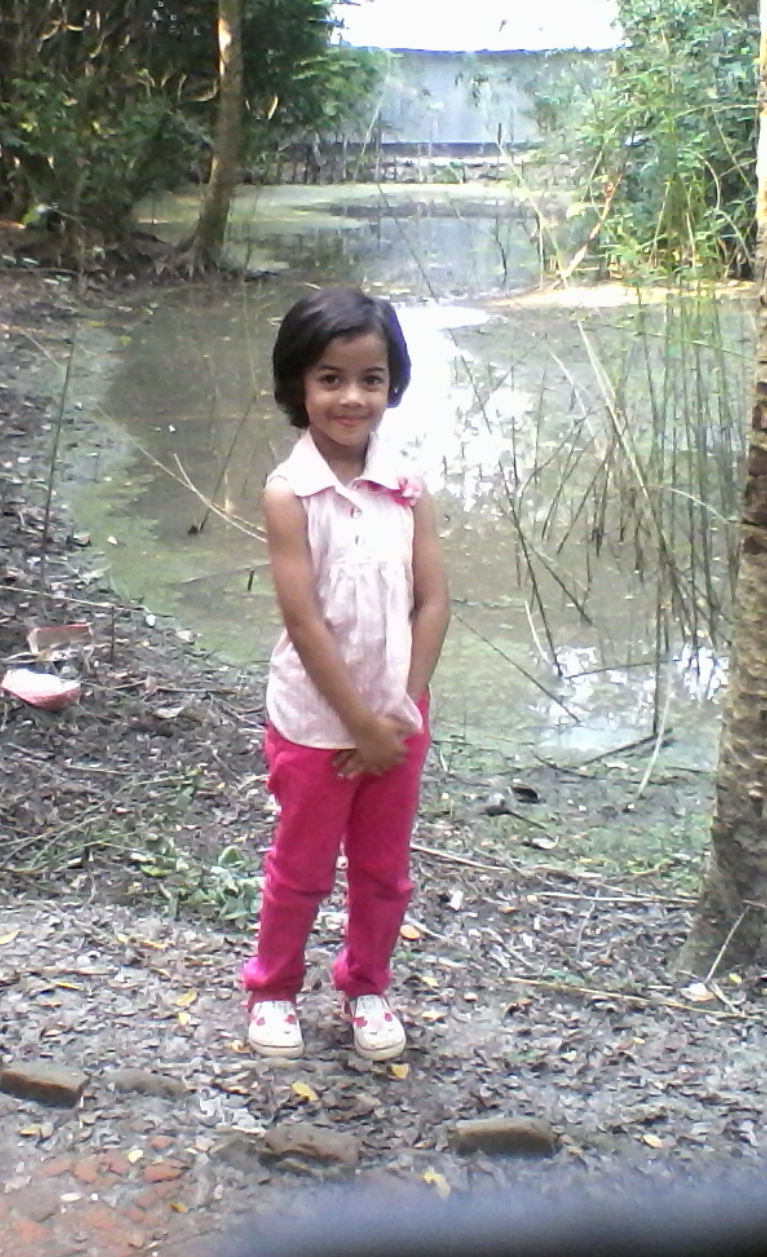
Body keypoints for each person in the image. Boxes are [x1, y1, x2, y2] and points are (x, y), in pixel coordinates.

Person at [240, 288, 450, 1062]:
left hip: (398, 722)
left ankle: (366, 984)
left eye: (370, 378)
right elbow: (305, 623)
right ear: (298, 384)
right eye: (330, 378)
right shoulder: (289, 494)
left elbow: (433, 602)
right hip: (314, 724)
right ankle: (272, 989)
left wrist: (397, 710)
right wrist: (357, 724)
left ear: (393, 384)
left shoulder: (407, 486)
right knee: (300, 869)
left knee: (384, 872)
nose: (351, 397)